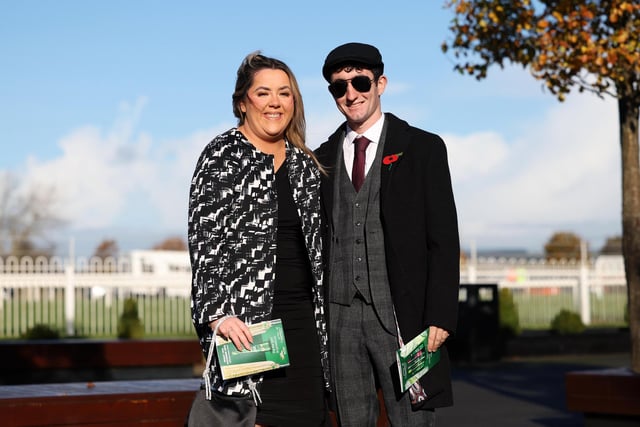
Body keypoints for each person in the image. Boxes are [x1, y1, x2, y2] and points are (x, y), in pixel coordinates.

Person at [314, 42, 460, 426]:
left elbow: (443, 239)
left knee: (412, 420)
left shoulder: (423, 148)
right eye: (338, 87)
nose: (351, 93)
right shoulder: (320, 158)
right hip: (339, 317)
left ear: (381, 83)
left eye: (360, 82)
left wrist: (441, 314)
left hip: (401, 315)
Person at [188, 51, 330, 427]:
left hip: (305, 327)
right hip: (248, 329)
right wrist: (217, 314)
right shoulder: (222, 156)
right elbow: (204, 242)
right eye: (264, 92)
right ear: (242, 102)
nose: (275, 103)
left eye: (284, 93)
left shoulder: (306, 164)